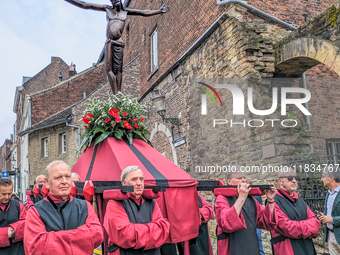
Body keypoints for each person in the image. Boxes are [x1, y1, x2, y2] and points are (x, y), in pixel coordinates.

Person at [63, 0, 169, 94]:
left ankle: (119, 94)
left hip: (119, 42)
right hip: (110, 42)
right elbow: (85, 5)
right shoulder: (107, 9)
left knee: (118, 70)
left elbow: (143, 12)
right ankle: (116, 94)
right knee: (108, 69)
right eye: (113, 0)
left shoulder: (125, 11)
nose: (115, 1)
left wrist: (159, 11)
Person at [24, 160, 103, 254]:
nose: (64, 181)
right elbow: (36, 247)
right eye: (58, 177)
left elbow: (98, 235)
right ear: (47, 182)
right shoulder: (35, 211)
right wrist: (81, 237)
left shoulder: (85, 206)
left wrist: (53, 239)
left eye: (67, 177)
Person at [103, 165, 170, 254]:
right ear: (124, 183)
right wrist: (152, 231)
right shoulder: (114, 203)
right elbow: (125, 234)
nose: (139, 183)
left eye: (141, 179)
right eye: (134, 179)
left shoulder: (152, 203)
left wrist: (136, 231)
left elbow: (163, 229)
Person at [214, 168, 276, 255]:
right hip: (232, 248)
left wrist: (270, 201)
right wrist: (242, 197)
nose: (243, 180)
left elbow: (266, 221)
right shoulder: (222, 198)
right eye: (239, 178)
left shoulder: (251, 199)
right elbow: (226, 223)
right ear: (229, 181)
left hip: (251, 246)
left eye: (244, 177)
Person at [270, 168, 320, 255]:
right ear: (280, 181)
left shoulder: (300, 200)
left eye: (295, 178)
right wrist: (308, 227)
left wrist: (299, 226)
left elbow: (315, 222)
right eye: (290, 178)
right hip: (287, 248)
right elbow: (286, 227)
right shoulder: (273, 201)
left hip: (307, 247)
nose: (294, 181)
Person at [0, 178, 26, 255]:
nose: (7, 197)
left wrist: (11, 232)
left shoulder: (18, 205)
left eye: (9, 194)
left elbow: (26, 225)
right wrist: (8, 233)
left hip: (17, 250)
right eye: (3, 194)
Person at [319, 167, 340, 255]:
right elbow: (329, 211)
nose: (321, 179)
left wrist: (331, 220)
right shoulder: (328, 193)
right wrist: (323, 215)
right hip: (331, 235)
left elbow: (331, 218)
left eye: (323, 176)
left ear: (331, 178)